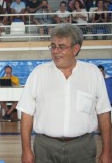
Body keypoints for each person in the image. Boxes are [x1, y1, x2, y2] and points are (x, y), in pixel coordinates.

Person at [17, 23, 111, 163]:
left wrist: (107, 152)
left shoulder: (92, 73)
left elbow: (103, 113)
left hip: (83, 148)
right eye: (53, 46)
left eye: (61, 47)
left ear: (75, 49)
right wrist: (26, 150)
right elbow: (26, 113)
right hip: (45, 148)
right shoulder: (38, 73)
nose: (55, 51)